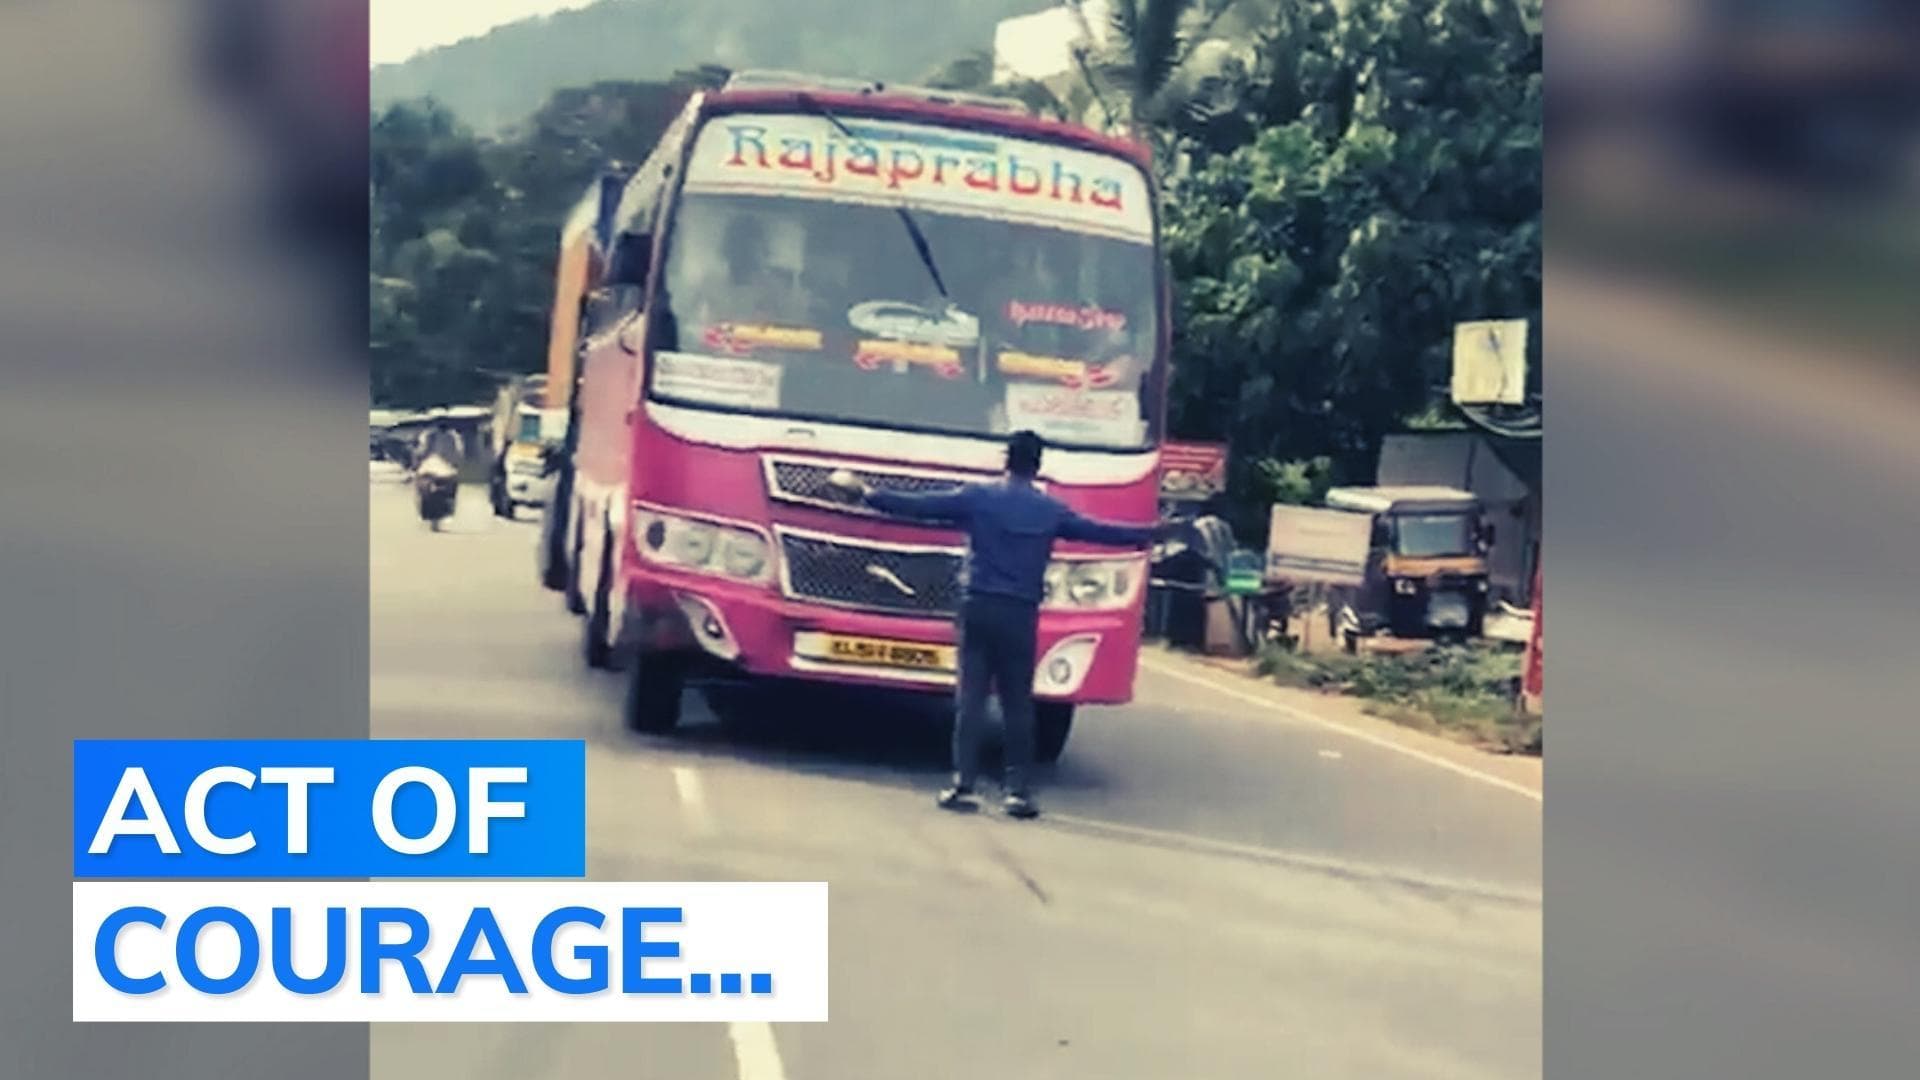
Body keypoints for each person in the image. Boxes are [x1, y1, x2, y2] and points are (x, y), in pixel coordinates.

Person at [826, 431, 1174, 819]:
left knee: (971, 700)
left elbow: (920, 506)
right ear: (1037, 465)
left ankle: (963, 785)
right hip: (1019, 613)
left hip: (977, 606)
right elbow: (1106, 533)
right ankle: (1017, 793)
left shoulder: (978, 497)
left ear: (1005, 460)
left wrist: (868, 494)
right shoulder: (1050, 511)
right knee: (1017, 704)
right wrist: (1156, 534)